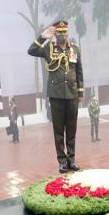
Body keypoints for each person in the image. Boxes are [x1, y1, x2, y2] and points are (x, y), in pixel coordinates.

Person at [28, 20, 84, 173]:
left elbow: (79, 71)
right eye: (59, 32)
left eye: (64, 32)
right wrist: (43, 36)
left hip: (72, 94)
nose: (62, 35)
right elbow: (31, 50)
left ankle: (71, 160)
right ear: (55, 34)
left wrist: (80, 92)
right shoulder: (48, 48)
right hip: (57, 95)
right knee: (59, 130)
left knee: (71, 129)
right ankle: (62, 161)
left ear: (67, 33)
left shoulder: (74, 49)